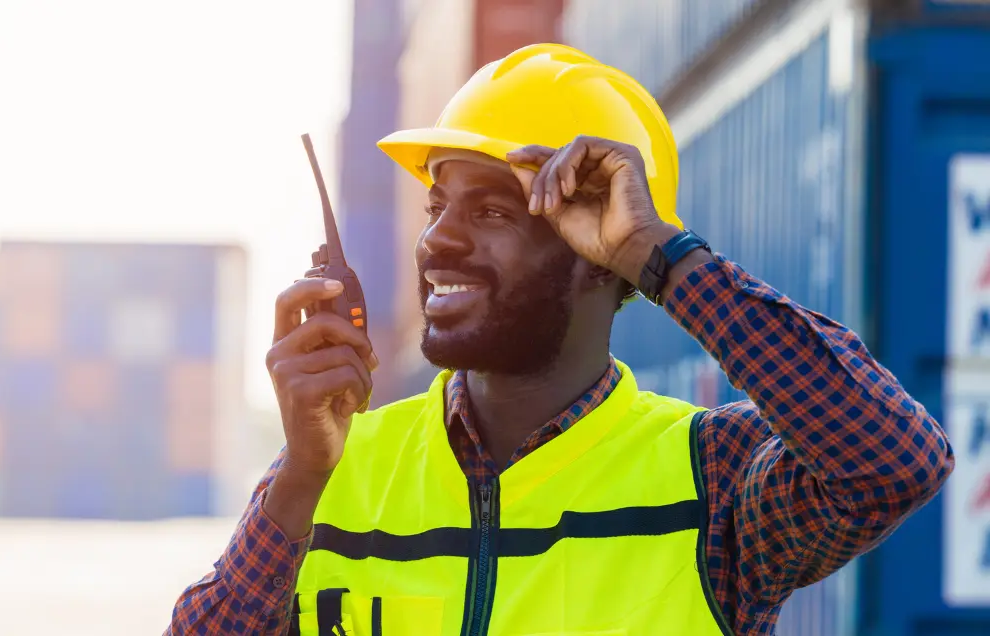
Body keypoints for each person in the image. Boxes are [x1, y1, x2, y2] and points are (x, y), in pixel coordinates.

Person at [167, 44, 953, 636]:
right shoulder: (334, 468)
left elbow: (894, 462)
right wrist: (300, 479)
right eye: (439, 204)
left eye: (494, 213)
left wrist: (666, 259)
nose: (436, 241)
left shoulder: (709, 484)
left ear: (602, 262)